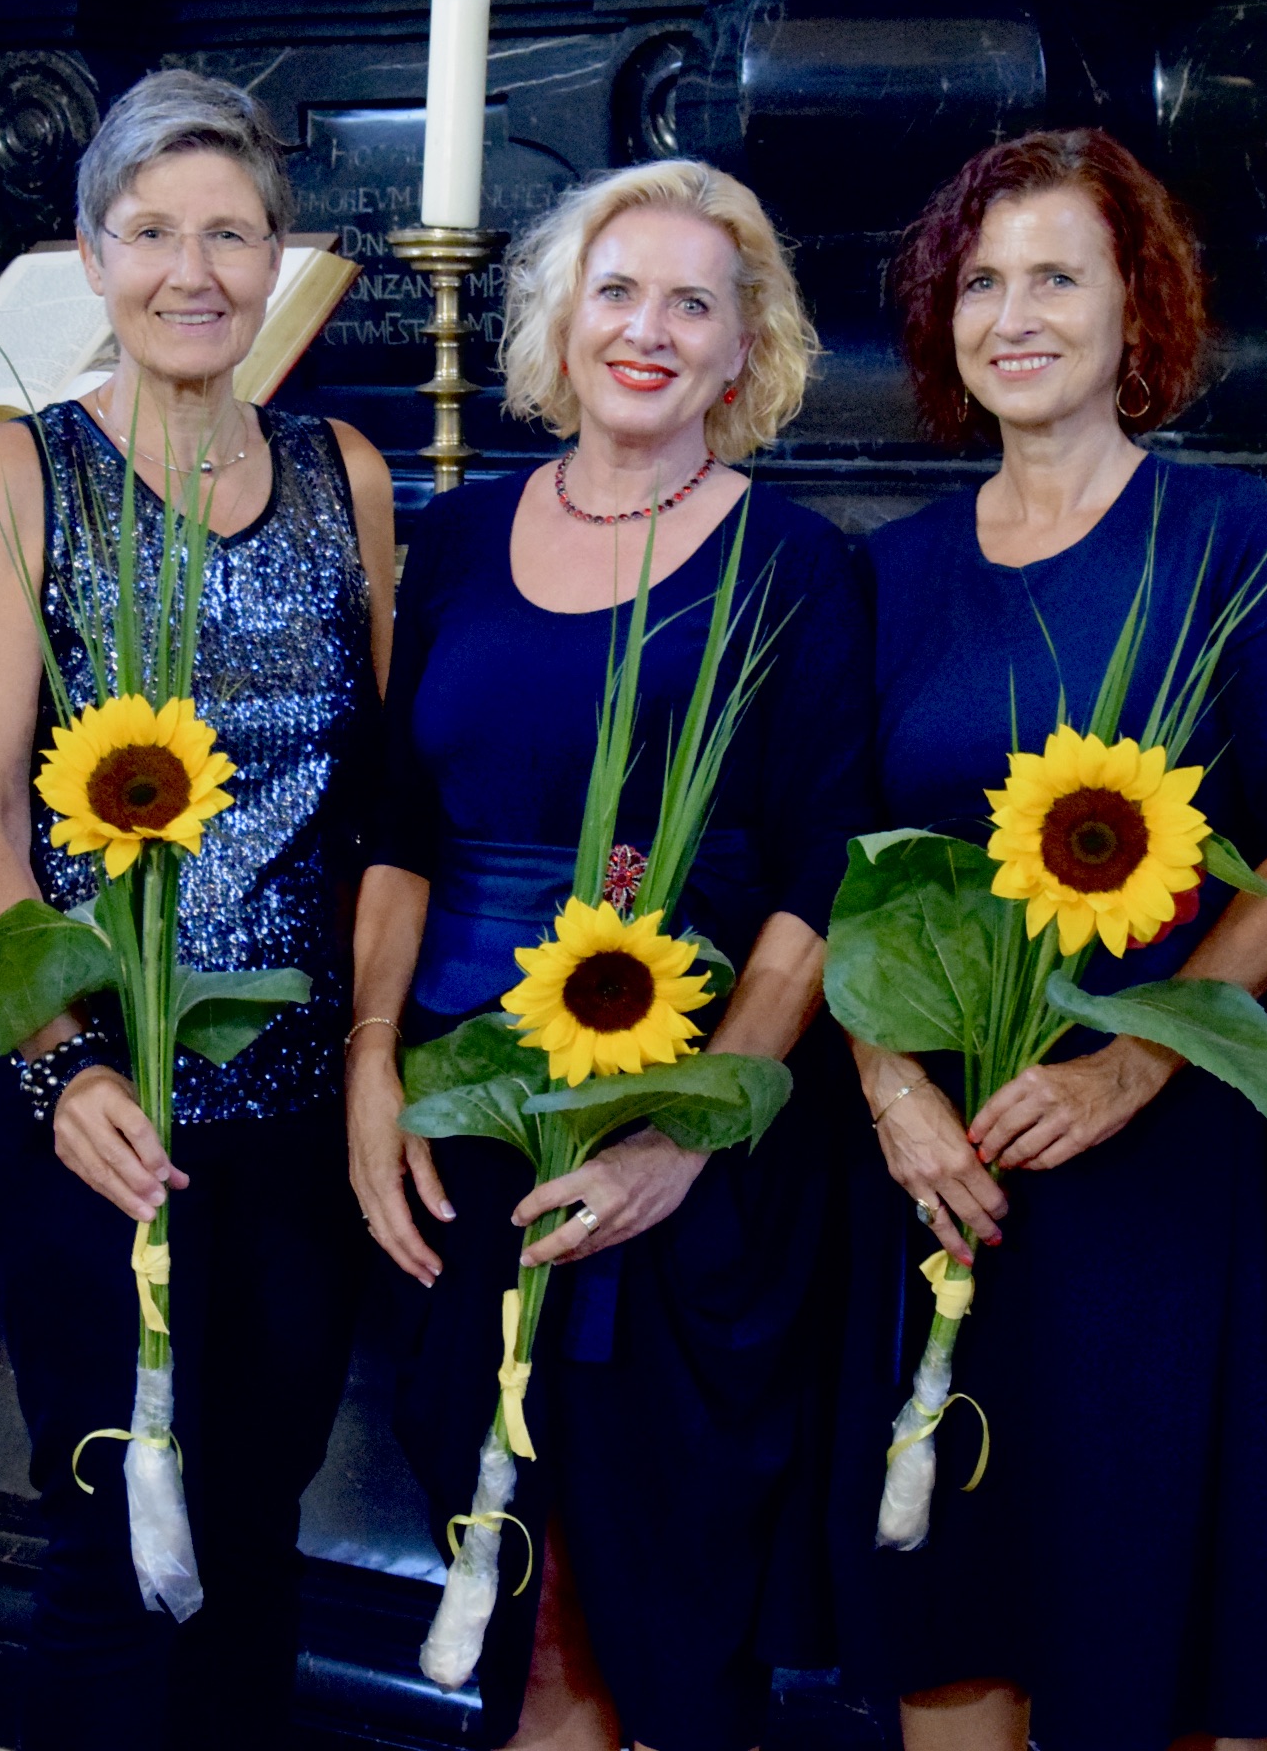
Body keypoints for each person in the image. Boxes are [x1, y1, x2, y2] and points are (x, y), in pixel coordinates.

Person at [833, 129, 1267, 1751]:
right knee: (951, 1608)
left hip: (1152, 1176)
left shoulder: (1225, 536)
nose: (1016, 315)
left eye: (1058, 275)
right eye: (982, 282)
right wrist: (892, 1090)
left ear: (1140, 306)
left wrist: (1137, 1062)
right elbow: (840, 874)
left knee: (1143, 1622)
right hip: (945, 1173)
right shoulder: (892, 570)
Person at [345, 159, 872, 1751]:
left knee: (659, 1583)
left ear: (746, 348)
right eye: (617, 291)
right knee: (508, 1573)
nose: (648, 330)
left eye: (691, 304)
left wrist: (683, 1140)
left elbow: (817, 883)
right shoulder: (454, 539)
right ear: (560, 321)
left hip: (682, 1130)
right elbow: (397, 832)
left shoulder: (797, 564)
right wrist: (373, 1072)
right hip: (464, 1124)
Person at [0, 69, 397, 1748]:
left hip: (292, 1120)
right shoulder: (15, 476)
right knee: (113, 1547)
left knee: (255, 1536)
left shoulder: (347, 475)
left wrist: (371, 1055)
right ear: (89, 255)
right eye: (150, 233)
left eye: (231, 234)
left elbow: (376, 799)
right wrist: (64, 1068)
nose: (192, 271)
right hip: (89, 1114)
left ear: (280, 258)